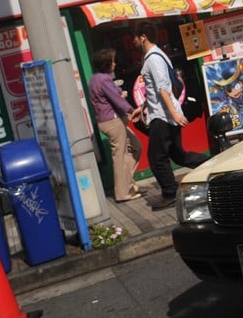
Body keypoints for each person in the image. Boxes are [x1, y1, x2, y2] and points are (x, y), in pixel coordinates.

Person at [133, 22, 208, 210]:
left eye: (135, 37)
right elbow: (155, 90)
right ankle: (211, 165)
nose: (133, 41)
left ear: (143, 37)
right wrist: (142, 107)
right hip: (165, 113)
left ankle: (170, 192)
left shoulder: (153, 59)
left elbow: (163, 88)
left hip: (163, 116)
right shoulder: (154, 56)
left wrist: (173, 113)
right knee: (178, 156)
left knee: (156, 158)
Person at [88, 48, 142, 203]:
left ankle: (128, 184)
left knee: (136, 147)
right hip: (112, 121)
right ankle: (123, 193)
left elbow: (110, 94)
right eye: (112, 61)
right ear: (106, 64)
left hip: (107, 122)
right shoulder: (103, 79)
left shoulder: (95, 79)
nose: (115, 63)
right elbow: (116, 99)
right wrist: (132, 110)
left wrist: (120, 94)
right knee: (119, 157)